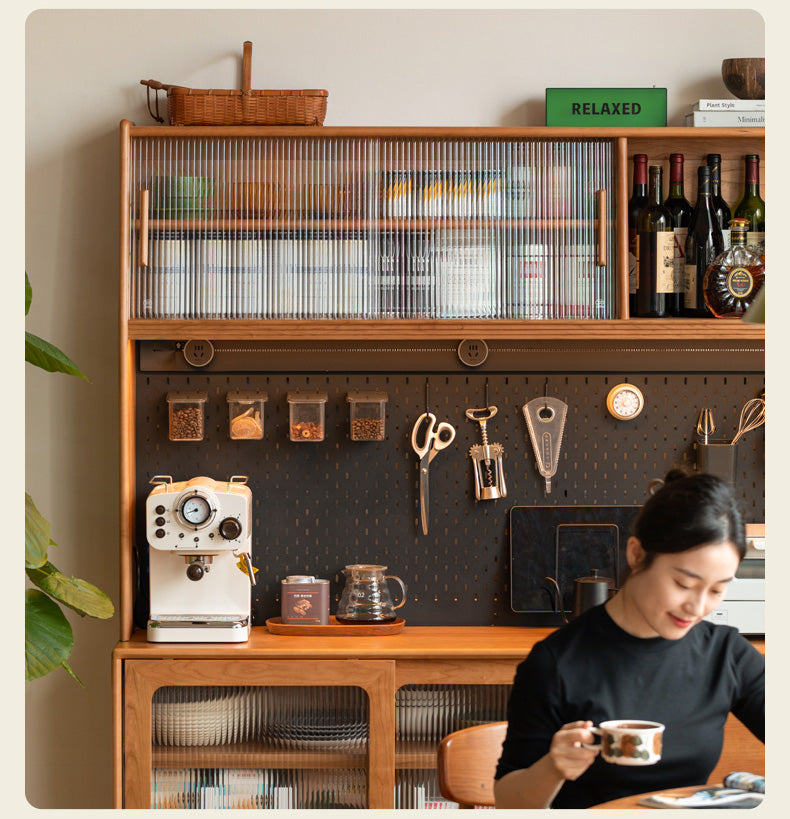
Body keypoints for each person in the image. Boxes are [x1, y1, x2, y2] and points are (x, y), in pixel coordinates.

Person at [494, 469, 765, 809]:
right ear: (636, 555)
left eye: (717, 589)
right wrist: (553, 767)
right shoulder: (556, 662)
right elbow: (507, 804)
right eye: (683, 584)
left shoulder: (727, 655)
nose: (697, 607)